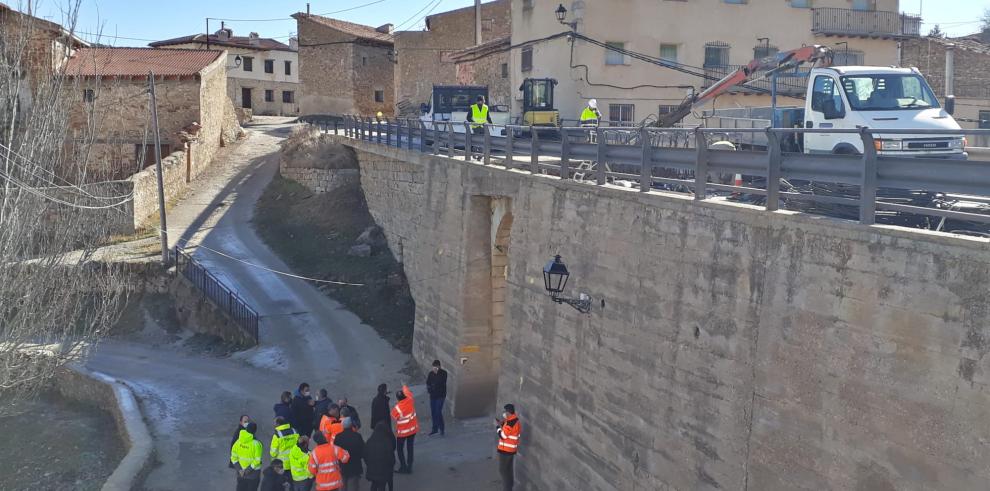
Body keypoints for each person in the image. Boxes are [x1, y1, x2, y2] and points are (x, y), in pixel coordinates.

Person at [390, 384, 419, 474]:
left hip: (403, 433)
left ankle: (403, 466)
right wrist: (404, 386)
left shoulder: (397, 409)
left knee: (400, 449)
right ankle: (409, 466)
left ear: (398, 399)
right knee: (410, 448)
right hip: (413, 430)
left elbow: (394, 416)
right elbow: (407, 391)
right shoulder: (410, 400)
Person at [495, 404, 522, 491]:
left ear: (508, 412)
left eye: (504, 412)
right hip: (510, 450)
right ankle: (509, 487)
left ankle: (507, 489)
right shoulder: (513, 420)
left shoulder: (511, 422)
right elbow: (508, 430)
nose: (503, 413)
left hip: (506, 451)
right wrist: (501, 423)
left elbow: (503, 436)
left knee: (503, 471)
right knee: (508, 470)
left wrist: (497, 427)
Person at [231, 421, 264, 491]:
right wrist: (246, 471)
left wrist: (240, 470)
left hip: (240, 475)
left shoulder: (238, 442)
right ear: (255, 431)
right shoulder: (257, 444)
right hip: (253, 475)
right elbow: (257, 460)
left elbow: (233, 457)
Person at [334, 417, 365, 491]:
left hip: (342, 465)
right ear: (351, 425)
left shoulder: (338, 437)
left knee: (343, 485)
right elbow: (363, 450)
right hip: (355, 465)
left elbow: (335, 451)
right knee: (354, 486)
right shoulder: (357, 436)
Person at [364, 422, 395, 491]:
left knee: (374, 484)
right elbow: (391, 457)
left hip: (372, 470)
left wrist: (369, 464)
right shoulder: (387, 442)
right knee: (382, 485)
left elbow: (365, 455)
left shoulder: (369, 441)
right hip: (383, 470)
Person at [465, 95, 492, 160]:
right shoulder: (473, 107)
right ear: (478, 101)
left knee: (481, 141)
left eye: (482, 101)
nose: (481, 102)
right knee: (477, 141)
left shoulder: (486, 107)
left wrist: (491, 123)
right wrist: (473, 122)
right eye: (480, 101)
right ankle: (474, 154)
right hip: (476, 127)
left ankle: (479, 156)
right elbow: (468, 117)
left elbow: (488, 117)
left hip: (483, 126)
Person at [426, 359, 448, 436]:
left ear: (439, 366)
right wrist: (429, 389)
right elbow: (428, 382)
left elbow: (441, 382)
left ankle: (441, 428)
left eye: (436, 367)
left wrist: (436, 375)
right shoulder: (431, 373)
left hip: (441, 396)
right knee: (433, 413)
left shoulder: (444, 373)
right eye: (433, 367)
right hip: (433, 396)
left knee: (438, 412)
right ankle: (435, 429)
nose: (434, 368)